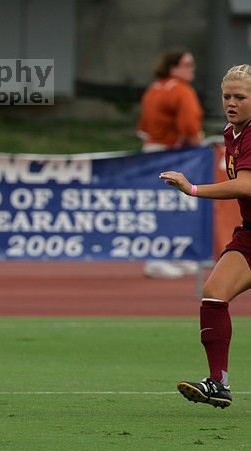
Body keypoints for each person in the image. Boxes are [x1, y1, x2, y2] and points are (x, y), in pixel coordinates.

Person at [159, 64, 251, 409]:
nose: (231, 102)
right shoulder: (233, 133)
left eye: (240, 97)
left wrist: (192, 188)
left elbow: (246, 185)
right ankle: (218, 382)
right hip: (250, 235)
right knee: (214, 293)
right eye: (227, 96)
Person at [138, 48, 205, 279]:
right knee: (171, 206)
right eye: (187, 65)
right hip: (173, 154)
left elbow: (143, 129)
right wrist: (199, 146)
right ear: (173, 67)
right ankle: (158, 258)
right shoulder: (181, 91)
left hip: (150, 152)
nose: (192, 69)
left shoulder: (153, 89)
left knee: (160, 205)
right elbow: (189, 127)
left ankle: (173, 254)